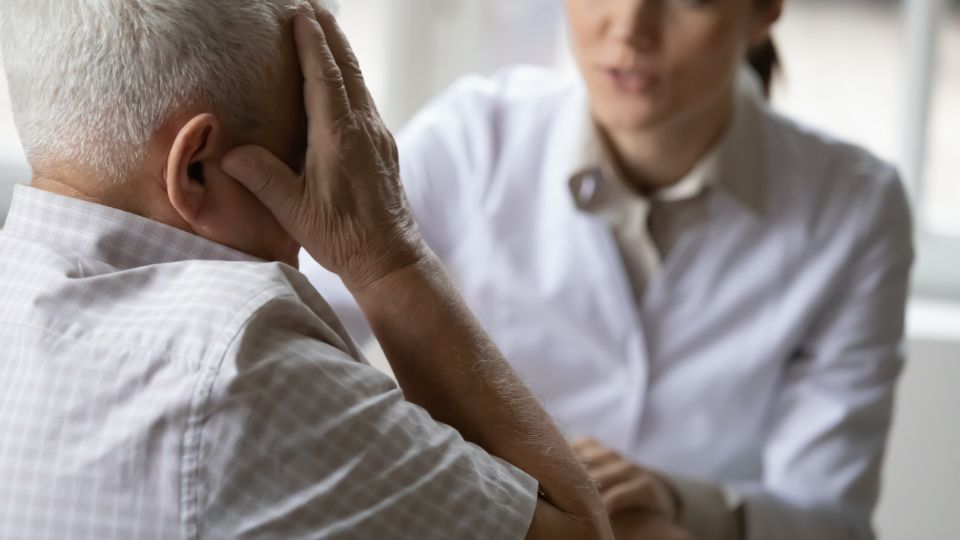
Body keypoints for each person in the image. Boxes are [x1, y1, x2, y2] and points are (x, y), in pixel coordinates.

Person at [0, 2, 636, 538]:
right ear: (193, 167)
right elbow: (577, 529)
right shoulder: (237, 366)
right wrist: (389, 255)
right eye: (306, 156)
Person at [303, 0, 915, 539]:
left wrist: (680, 505)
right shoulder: (473, 139)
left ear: (764, 11)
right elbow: (297, 343)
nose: (628, 26)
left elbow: (831, 521)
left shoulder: (856, 208)